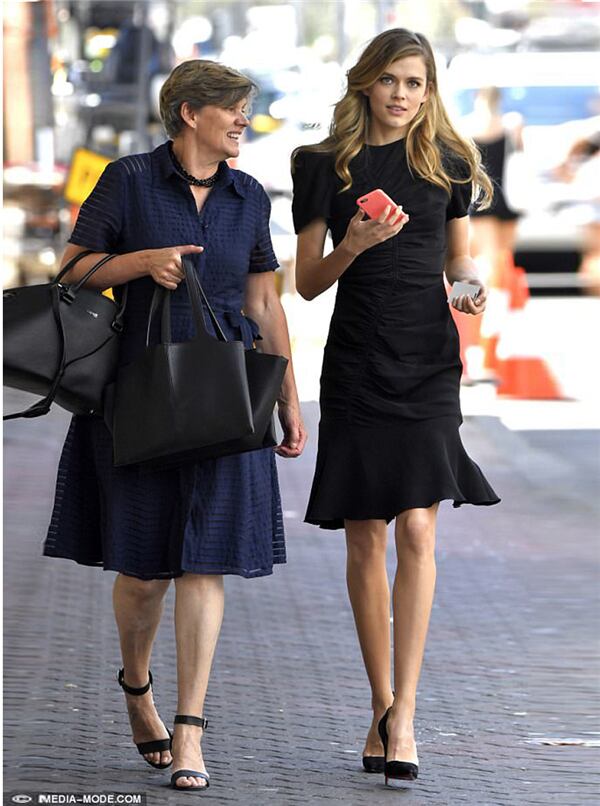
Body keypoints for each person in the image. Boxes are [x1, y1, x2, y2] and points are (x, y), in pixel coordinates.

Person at [43, 59, 306, 791]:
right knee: (141, 575)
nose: (243, 120)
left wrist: (288, 396)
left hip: (225, 397)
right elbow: (70, 270)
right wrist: (140, 263)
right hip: (139, 395)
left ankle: (190, 729)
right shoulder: (129, 180)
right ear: (191, 112)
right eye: (234, 109)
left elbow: (264, 303)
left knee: (204, 563)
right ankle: (138, 687)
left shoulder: (249, 196)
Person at [291, 29, 500, 785]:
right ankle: (379, 703)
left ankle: (405, 712)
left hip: (428, 361)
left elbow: (459, 256)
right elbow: (306, 283)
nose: (403, 95)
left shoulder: (448, 161)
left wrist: (469, 288)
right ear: (365, 84)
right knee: (364, 535)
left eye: (415, 82)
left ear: (428, 90)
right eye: (390, 80)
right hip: (357, 362)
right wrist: (352, 244)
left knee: (417, 526)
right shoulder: (322, 165)